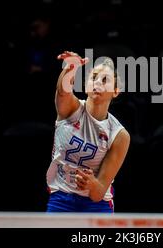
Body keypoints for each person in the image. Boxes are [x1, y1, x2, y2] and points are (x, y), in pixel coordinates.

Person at [46, 51, 130, 212]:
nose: (98, 82)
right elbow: (63, 91)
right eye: (94, 77)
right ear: (86, 86)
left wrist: (91, 184)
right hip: (61, 197)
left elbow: (98, 193)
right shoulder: (71, 109)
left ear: (116, 91)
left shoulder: (119, 135)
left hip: (97, 205)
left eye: (105, 80)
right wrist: (72, 67)